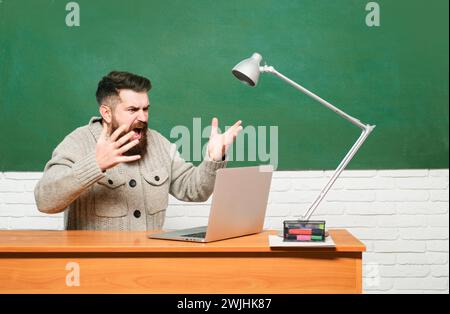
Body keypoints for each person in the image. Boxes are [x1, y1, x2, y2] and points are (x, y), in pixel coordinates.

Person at [34, 71, 242, 231]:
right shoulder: (77, 142)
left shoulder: (158, 143)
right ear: (106, 113)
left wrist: (214, 159)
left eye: (146, 109)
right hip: (94, 271)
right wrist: (94, 165)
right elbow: (45, 201)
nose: (143, 117)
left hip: (148, 269)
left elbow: (194, 190)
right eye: (133, 110)